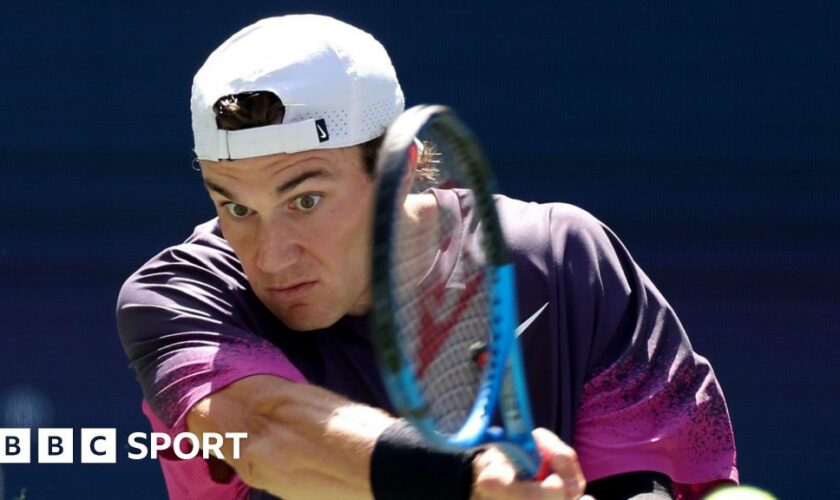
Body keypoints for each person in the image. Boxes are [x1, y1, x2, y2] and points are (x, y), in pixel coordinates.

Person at [116, 14, 738, 500]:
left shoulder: (560, 261)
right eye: (237, 208)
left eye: (305, 200)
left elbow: (643, 481)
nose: (271, 257)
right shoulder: (176, 297)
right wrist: (465, 481)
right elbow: (263, 433)